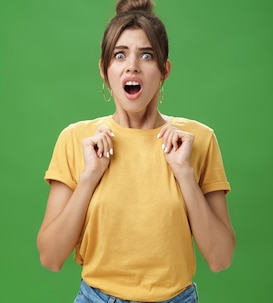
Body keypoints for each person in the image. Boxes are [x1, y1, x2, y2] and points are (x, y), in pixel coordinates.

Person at [36, 0, 235, 302]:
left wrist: (184, 173)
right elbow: (50, 257)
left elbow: (221, 258)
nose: (132, 66)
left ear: (164, 70)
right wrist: (90, 177)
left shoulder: (197, 140)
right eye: (119, 55)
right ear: (105, 70)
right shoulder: (77, 140)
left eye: (146, 55)